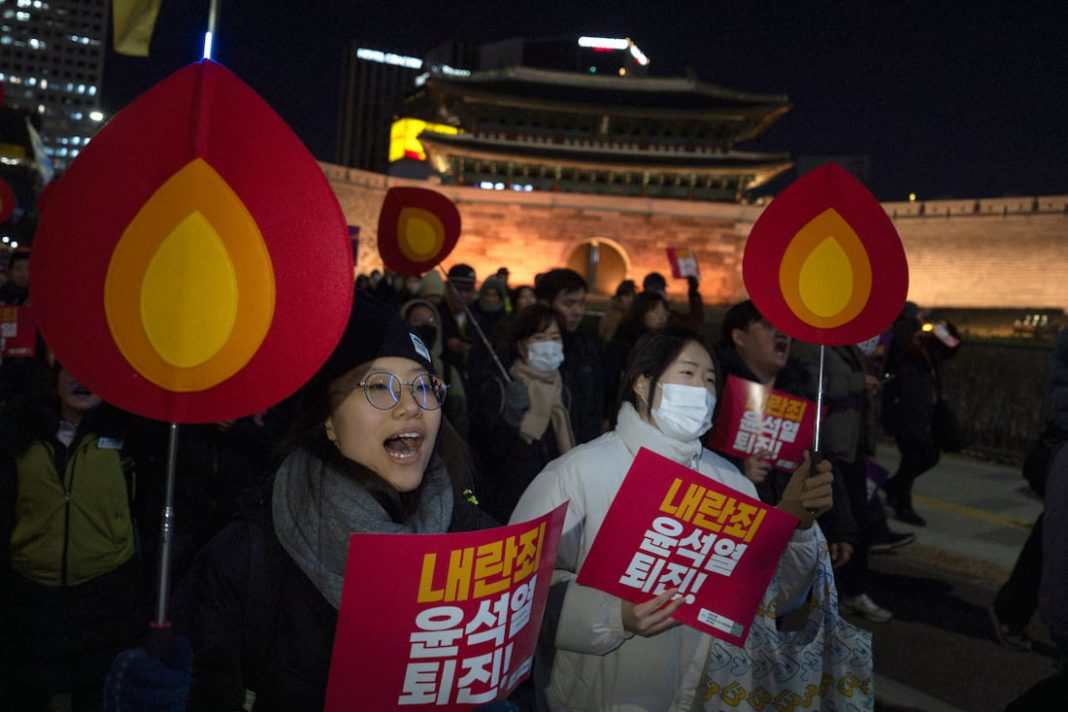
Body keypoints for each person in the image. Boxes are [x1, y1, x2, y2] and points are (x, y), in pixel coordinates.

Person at [168, 291, 497, 711]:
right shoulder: (246, 557)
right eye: (380, 386)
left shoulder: (475, 541)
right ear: (328, 421)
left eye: (424, 387)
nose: (411, 407)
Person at [510, 327, 833, 711]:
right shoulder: (578, 472)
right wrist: (615, 617)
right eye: (688, 374)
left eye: (711, 379)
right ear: (643, 385)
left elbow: (769, 600)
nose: (703, 389)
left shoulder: (732, 482)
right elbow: (520, 593)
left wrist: (795, 527)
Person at [0, 355, 146, 711]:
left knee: (95, 690)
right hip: (32, 593)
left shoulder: (125, 433)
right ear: (55, 375)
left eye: (93, 371)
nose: (81, 380)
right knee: (28, 689)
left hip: (105, 592)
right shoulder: (19, 434)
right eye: (71, 369)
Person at [470, 304, 574, 522]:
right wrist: (510, 419)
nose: (549, 344)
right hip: (506, 508)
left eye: (555, 337)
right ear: (522, 345)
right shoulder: (499, 387)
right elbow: (482, 457)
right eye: (539, 337)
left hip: (552, 505)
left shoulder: (563, 390)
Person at [881, 318, 962, 525]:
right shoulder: (909, 352)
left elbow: (954, 344)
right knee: (913, 458)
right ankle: (902, 503)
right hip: (907, 415)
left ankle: (894, 489)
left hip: (921, 416)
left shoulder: (929, 357)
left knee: (924, 457)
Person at [535, 268, 605, 444]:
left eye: (582, 303)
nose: (577, 311)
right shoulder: (529, 349)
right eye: (569, 303)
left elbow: (597, 403)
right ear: (545, 304)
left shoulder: (587, 346)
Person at [602, 290, 671, 417]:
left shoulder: (665, 342)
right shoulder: (623, 341)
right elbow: (610, 380)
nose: (662, 317)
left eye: (664, 312)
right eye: (655, 311)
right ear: (641, 312)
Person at [598, 279, 637, 343]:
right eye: (627, 296)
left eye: (633, 296)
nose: (631, 299)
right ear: (620, 297)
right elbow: (608, 336)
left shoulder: (631, 312)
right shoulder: (613, 313)